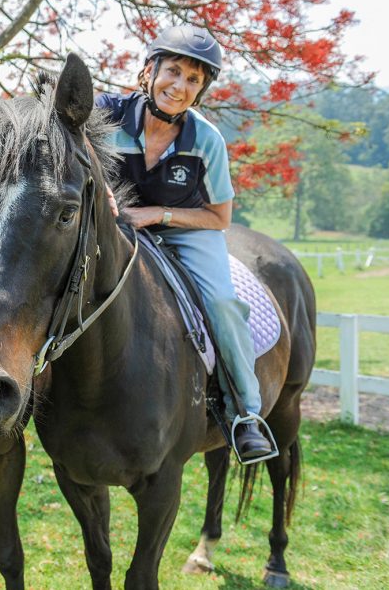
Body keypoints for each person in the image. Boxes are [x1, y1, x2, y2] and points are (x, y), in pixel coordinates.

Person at [96, 24, 275, 462]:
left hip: (185, 229)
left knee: (221, 303)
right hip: (113, 225)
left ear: (201, 90)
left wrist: (160, 215)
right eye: (173, 71)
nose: (179, 86)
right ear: (149, 70)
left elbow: (220, 217)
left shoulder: (207, 140)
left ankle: (245, 415)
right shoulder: (105, 112)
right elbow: (71, 144)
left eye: (193, 80)